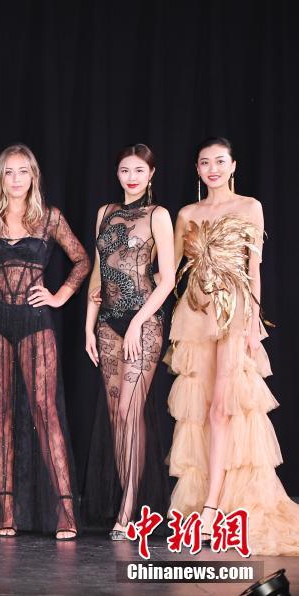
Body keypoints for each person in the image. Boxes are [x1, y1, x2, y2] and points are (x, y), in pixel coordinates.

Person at [164, 137, 299, 555]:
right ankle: (211, 504)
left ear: (233, 165)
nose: (213, 169)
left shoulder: (250, 207)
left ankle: (211, 508)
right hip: (195, 312)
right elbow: (168, 270)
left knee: (222, 408)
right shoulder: (188, 214)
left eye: (220, 161)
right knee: (201, 410)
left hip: (234, 311)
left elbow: (254, 269)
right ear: (197, 169)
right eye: (205, 162)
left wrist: (252, 322)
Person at [0, 143, 89, 540]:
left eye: (23, 171)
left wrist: (59, 295)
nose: (16, 179)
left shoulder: (49, 218)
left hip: (34, 321)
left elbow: (82, 259)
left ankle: (65, 511)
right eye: (9, 172)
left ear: (34, 176)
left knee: (45, 411)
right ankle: (6, 512)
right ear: (0, 178)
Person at [81, 144, 172, 539]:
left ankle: (127, 509)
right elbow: (99, 273)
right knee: (117, 415)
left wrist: (137, 322)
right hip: (107, 322)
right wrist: (88, 325)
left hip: (144, 321)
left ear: (151, 174)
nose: (131, 177)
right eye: (124, 170)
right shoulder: (105, 213)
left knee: (130, 411)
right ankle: (126, 497)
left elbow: (167, 279)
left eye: (138, 170)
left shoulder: (158, 215)